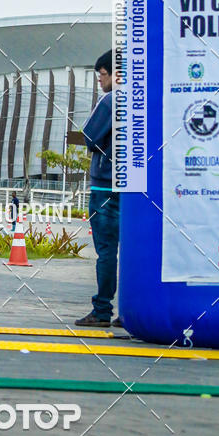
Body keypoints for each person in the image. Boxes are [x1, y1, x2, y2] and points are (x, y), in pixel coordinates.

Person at [75, 50, 122, 328]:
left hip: (105, 187)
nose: (99, 81)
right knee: (132, 251)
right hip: (134, 189)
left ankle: (102, 310)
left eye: (101, 75)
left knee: (107, 252)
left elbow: (89, 137)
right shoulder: (143, 101)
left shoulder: (110, 100)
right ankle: (129, 311)